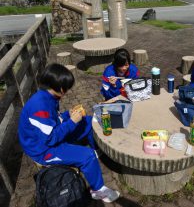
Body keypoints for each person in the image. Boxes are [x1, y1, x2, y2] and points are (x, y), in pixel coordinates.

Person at [18, 63, 120, 203]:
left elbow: (55, 120)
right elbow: (51, 139)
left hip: (50, 138)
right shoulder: (39, 106)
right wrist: (72, 122)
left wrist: (67, 115)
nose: (67, 92)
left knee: (88, 121)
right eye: (66, 88)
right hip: (42, 149)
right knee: (87, 156)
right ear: (60, 88)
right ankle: (98, 190)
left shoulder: (49, 96)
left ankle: (97, 150)